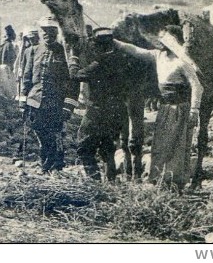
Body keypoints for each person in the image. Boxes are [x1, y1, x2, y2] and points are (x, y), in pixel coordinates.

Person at [131, 26, 203, 190]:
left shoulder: (182, 63)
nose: (160, 41)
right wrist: (115, 41)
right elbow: (137, 51)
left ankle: (174, 183)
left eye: (165, 38)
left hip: (179, 109)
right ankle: (159, 179)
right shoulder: (158, 56)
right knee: (160, 145)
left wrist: (194, 110)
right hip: (164, 109)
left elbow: (198, 87)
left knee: (175, 145)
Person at [67, 27, 130, 181]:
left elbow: (74, 75)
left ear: (100, 45)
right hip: (118, 111)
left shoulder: (99, 63)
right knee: (107, 149)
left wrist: (73, 56)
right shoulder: (122, 60)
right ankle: (111, 182)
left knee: (84, 148)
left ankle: (94, 181)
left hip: (98, 111)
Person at [17, 18, 70, 172]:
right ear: (41, 32)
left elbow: (72, 82)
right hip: (35, 100)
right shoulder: (31, 51)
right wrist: (22, 101)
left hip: (56, 103)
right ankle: (45, 163)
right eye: (45, 31)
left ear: (57, 32)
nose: (48, 34)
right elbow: (26, 78)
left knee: (56, 134)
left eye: (52, 31)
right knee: (40, 132)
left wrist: (68, 106)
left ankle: (55, 166)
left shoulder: (64, 52)